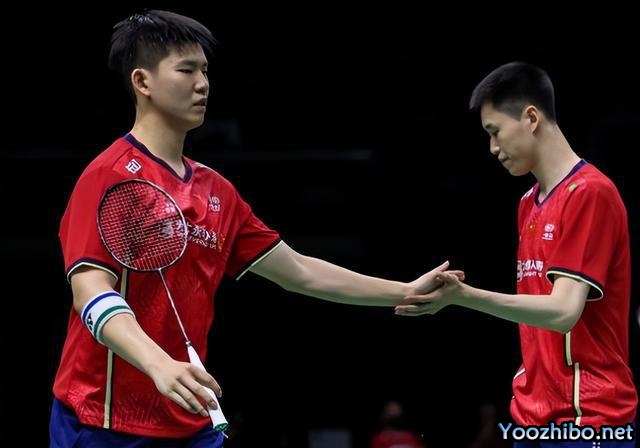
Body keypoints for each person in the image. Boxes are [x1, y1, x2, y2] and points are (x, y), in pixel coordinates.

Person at [48, 9, 463, 448]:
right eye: (186, 70)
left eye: (205, 71)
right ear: (142, 82)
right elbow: (90, 291)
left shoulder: (216, 192)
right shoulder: (109, 175)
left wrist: (404, 290)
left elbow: (300, 271)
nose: (203, 84)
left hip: (190, 417)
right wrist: (157, 363)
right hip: (103, 422)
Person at [395, 62, 637, 447]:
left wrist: (464, 296)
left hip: (588, 419)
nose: (493, 148)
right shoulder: (528, 204)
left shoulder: (590, 194)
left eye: (495, 132)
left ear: (531, 118)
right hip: (531, 416)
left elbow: (563, 311)